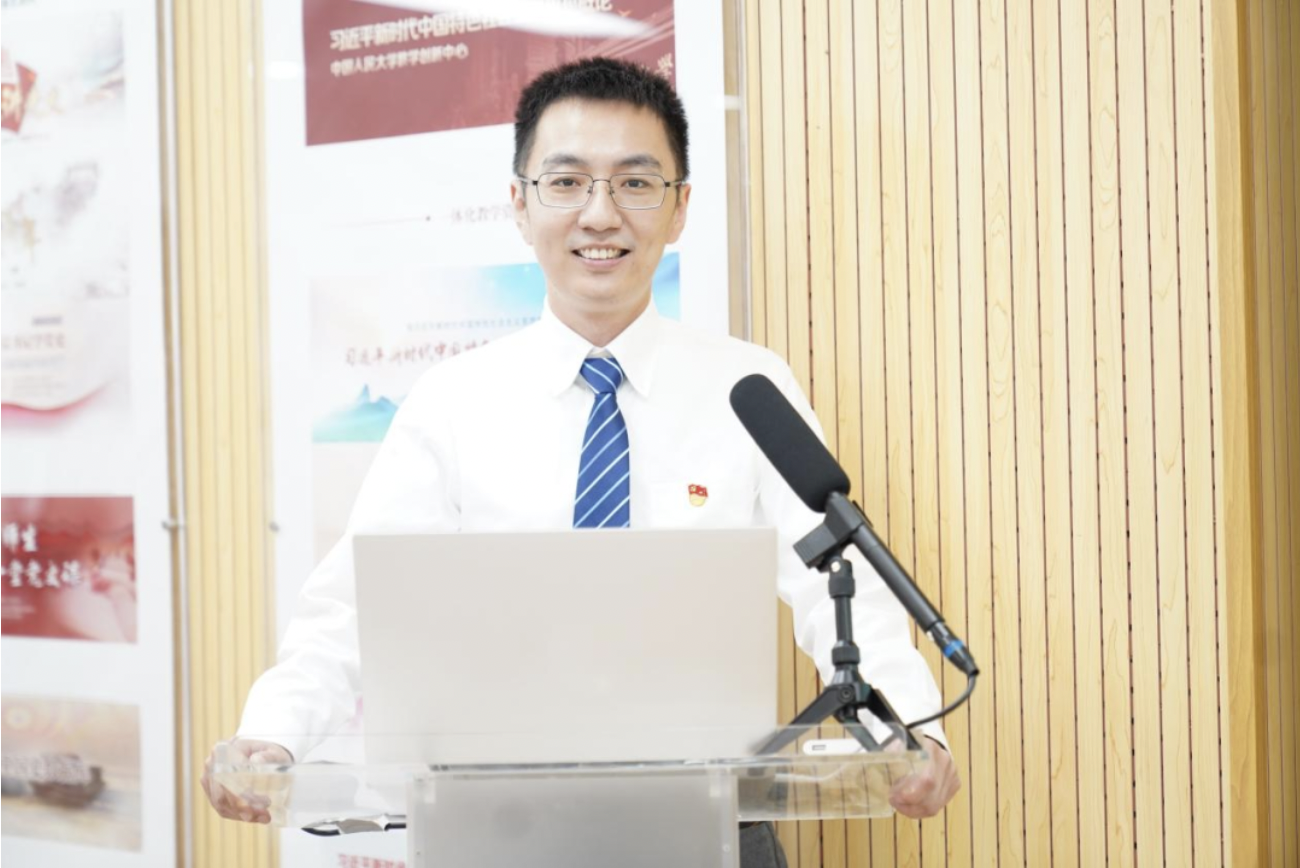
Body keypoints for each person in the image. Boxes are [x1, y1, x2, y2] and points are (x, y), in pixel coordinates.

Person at [202, 57, 960, 864]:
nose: (601, 215)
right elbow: (355, 608)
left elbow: (837, 583)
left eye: (636, 183)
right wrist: (273, 735)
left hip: (710, 828)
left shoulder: (747, 388)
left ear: (680, 208)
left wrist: (908, 727)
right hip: (498, 830)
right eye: (566, 183)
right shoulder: (452, 400)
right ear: (519, 204)